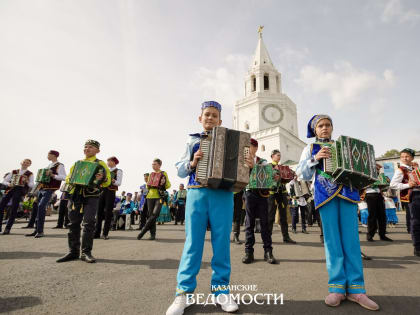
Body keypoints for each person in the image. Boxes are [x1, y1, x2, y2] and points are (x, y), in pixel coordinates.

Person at [166, 101, 252, 315]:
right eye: (207, 115)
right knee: (192, 243)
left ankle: (221, 291)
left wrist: (247, 166)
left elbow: (242, 172)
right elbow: (179, 170)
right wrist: (193, 163)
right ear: (200, 118)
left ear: (221, 121)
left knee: (221, 243)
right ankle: (183, 294)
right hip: (197, 191)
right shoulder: (192, 140)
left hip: (223, 194)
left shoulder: (237, 141)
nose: (210, 118)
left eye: (214, 115)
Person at [296, 114, 379, 310]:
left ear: (332, 127)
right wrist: (315, 159)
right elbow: (301, 174)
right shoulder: (310, 148)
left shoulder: (346, 146)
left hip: (349, 195)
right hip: (325, 196)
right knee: (332, 242)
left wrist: (370, 168)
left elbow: (359, 169)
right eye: (321, 126)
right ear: (315, 130)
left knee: (351, 241)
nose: (324, 128)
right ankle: (337, 288)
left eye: (328, 125)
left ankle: (357, 290)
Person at [56, 140, 111, 263]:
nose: (87, 149)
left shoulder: (100, 164)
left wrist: (102, 178)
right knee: (73, 223)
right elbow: (69, 177)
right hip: (75, 196)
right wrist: (71, 181)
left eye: (90, 147)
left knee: (89, 223)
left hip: (91, 196)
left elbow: (107, 181)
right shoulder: (77, 163)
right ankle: (73, 252)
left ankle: (86, 252)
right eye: (85, 147)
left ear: (97, 150)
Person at [242, 138, 277, 265]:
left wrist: (273, 175)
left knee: (265, 223)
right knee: (249, 223)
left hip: (262, 194)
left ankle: (268, 251)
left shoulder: (263, 161)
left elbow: (269, 175)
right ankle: (248, 252)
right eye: (247, 146)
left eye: (251, 146)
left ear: (256, 148)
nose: (248, 148)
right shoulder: (242, 162)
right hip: (249, 193)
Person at [25, 150, 66, 238]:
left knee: (41, 206)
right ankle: (36, 230)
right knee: (36, 207)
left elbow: (64, 177)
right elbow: (40, 179)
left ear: (54, 155)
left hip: (49, 189)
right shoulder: (48, 166)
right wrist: (33, 191)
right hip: (41, 189)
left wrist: (53, 175)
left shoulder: (60, 165)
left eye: (49, 154)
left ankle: (40, 231)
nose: (47, 156)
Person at [390, 148, 420, 256]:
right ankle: (417, 247)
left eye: (407, 156)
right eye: (402, 156)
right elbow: (393, 184)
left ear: (412, 157)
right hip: (414, 195)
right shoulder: (400, 170)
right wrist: (408, 185)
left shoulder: (415, 167)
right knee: (416, 221)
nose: (404, 158)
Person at [137, 159, 171, 240]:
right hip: (150, 196)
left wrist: (163, 183)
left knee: (154, 214)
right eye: (152, 164)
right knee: (151, 215)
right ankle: (153, 235)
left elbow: (168, 185)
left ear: (159, 165)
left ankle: (143, 230)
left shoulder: (163, 173)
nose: (153, 165)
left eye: (155, 164)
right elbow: (147, 186)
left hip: (159, 196)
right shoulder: (151, 174)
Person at [268, 149, 296, 243]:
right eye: (277, 155)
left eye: (280, 155)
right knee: (270, 215)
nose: (279, 157)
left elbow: (289, 176)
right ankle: (268, 237)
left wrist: (292, 175)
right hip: (271, 193)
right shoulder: (268, 166)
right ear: (272, 156)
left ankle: (286, 237)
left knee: (283, 215)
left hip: (282, 192)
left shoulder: (283, 167)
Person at [0, 159, 34, 234]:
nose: (25, 164)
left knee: (14, 209)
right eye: (24, 162)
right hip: (10, 189)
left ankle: (7, 228)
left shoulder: (30, 174)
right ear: (21, 163)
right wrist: (9, 184)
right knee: (1, 206)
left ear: (29, 165)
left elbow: (32, 185)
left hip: (19, 191)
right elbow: (4, 181)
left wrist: (27, 181)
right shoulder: (14, 171)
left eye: (27, 163)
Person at [95, 156, 123, 240]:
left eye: (109, 161)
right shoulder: (104, 170)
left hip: (110, 191)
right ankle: (96, 232)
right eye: (107, 161)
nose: (107, 163)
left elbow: (119, 183)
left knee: (108, 212)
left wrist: (111, 180)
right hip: (102, 191)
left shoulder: (118, 171)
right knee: (99, 212)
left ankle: (105, 233)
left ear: (114, 162)